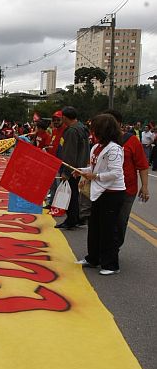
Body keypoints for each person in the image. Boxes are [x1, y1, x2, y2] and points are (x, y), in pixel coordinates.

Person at [74, 113, 126, 276]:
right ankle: (93, 258)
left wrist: (94, 176)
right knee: (95, 227)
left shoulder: (114, 149)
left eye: (95, 129)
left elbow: (116, 173)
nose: (92, 132)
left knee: (108, 229)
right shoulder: (96, 147)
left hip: (113, 193)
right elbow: (94, 168)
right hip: (99, 192)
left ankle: (111, 264)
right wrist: (82, 171)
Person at [106, 109, 149, 249]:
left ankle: (113, 250)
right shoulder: (102, 140)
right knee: (105, 221)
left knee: (120, 221)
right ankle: (104, 249)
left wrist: (145, 187)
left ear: (118, 123)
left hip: (127, 190)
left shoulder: (132, 141)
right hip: (105, 189)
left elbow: (143, 166)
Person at [55, 106, 89, 230]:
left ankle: (71, 220)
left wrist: (66, 172)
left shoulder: (71, 131)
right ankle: (77, 217)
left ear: (64, 117)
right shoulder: (82, 128)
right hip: (80, 167)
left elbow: (69, 153)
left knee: (71, 195)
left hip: (72, 168)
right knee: (75, 193)